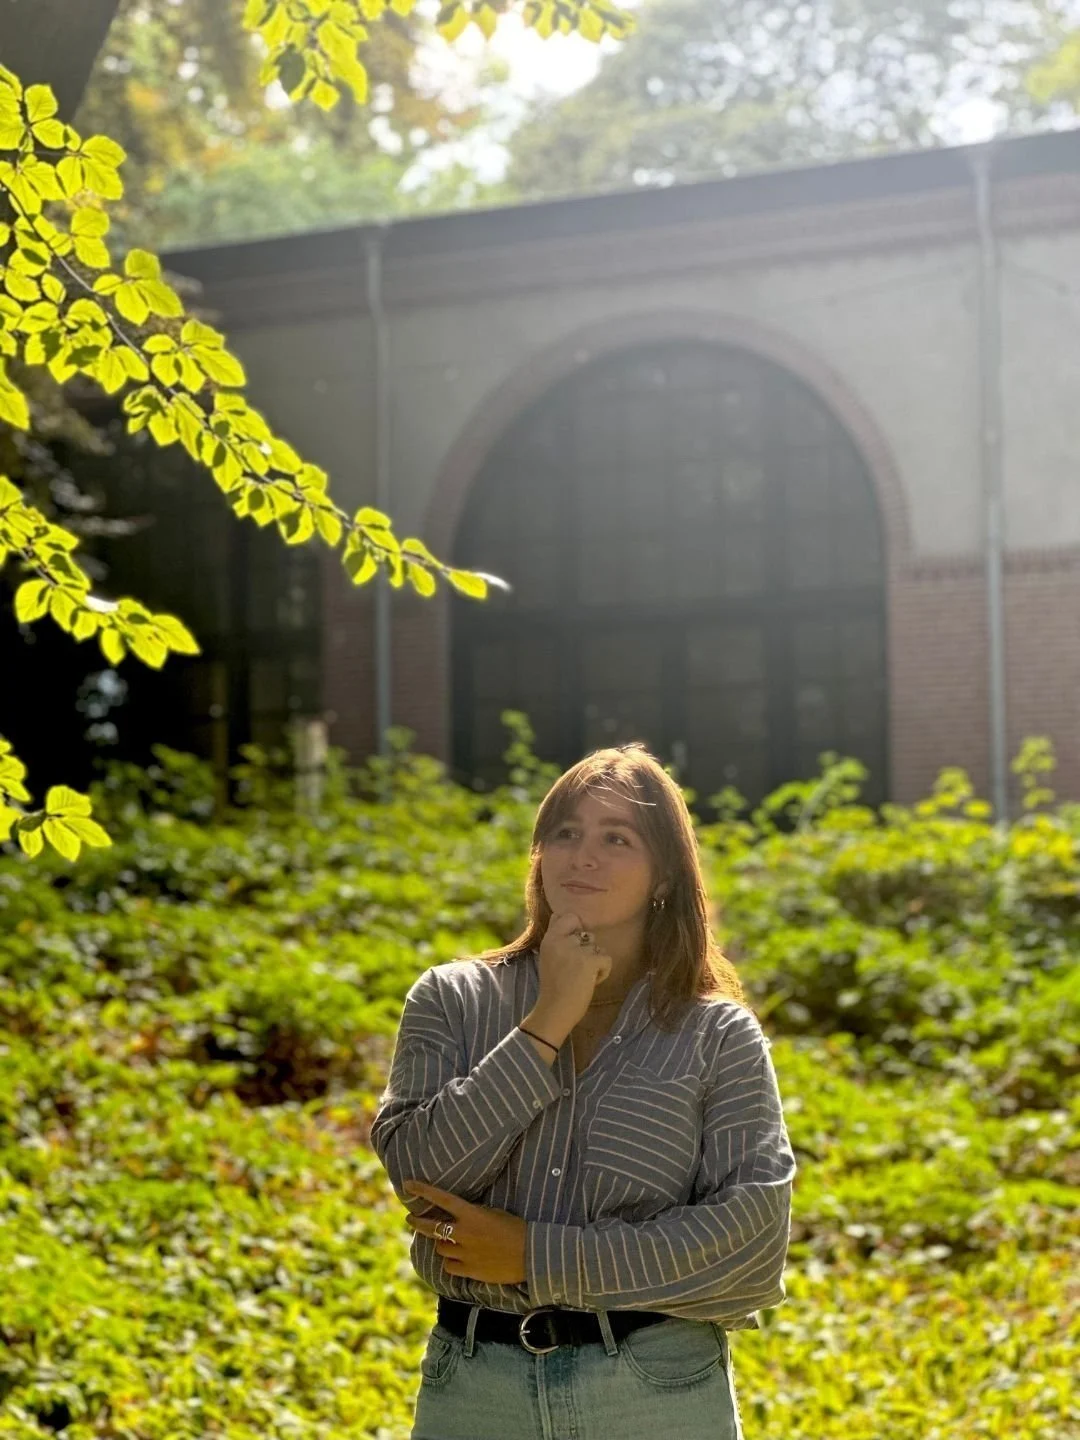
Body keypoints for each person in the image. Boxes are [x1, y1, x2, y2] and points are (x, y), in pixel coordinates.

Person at [370, 743, 796, 1440]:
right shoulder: (452, 999)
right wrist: (547, 1022)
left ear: (664, 874)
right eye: (566, 833)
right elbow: (421, 1175)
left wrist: (536, 1256)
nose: (582, 856)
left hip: (656, 1395)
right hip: (476, 1392)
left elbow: (749, 1248)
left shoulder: (718, 1035)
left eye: (616, 838)